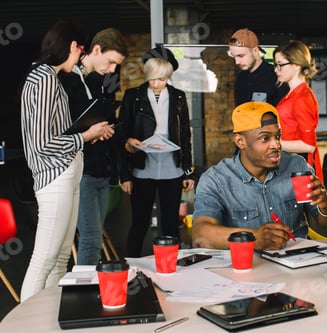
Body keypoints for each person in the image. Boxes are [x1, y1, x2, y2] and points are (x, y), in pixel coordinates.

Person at [19, 21, 114, 301]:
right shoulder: (45, 78)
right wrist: (85, 136)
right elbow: (42, 143)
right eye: (81, 51)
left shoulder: (48, 78)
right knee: (44, 260)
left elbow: (52, 134)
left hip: (66, 173)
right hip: (55, 177)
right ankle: (25, 326)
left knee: (60, 259)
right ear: (73, 46)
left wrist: (85, 134)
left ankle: (47, 319)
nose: (81, 58)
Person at [192, 101, 327, 251]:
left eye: (278, 136)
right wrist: (254, 238)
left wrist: (326, 205)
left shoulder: (296, 166)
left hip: (299, 260)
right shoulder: (216, 180)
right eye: (265, 138)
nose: (276, 145)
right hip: (248, 266)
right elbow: (200, 235)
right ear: (240, 141)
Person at [59, 28, 128, 265]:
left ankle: (92, 292)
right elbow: (63, 128)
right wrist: (90, 133)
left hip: (100, 167)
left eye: (116, 66)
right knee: (90, 239)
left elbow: (94, 122)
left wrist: (103, 130)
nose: (111, 70)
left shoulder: (98, 80)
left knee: (94, 237)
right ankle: (85, 295)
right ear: (96, 50)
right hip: (81, 170)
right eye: (110, 62)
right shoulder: (70, 79)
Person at [119, 47, 195, 257]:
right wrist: (124, 175)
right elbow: (121, 134)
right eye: (152, 79)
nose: (156, 84)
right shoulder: (132, 96)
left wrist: (188, 171)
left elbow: (185, 136)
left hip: (172, 169)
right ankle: (132, 266)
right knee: (140, 223)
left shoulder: (178, 97)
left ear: (168, 77)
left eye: (161, 79)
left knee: (171, 225)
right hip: (142, 169)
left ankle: (173, 267)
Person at [273, 40, 324, 181]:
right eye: (275, 65)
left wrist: (273, 144)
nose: (276, 69)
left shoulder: (302, 97)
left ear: (296, 65)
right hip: (290, 164)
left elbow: (309, 145)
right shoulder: (293, 94)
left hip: (299, 169)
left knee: (302, 202)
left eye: (280, 64)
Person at [228, 28, 288, 106]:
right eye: (234, 56)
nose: (237, 62)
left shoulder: (276, 76)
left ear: (255, 51)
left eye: (241, 56)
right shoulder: (241, 78)